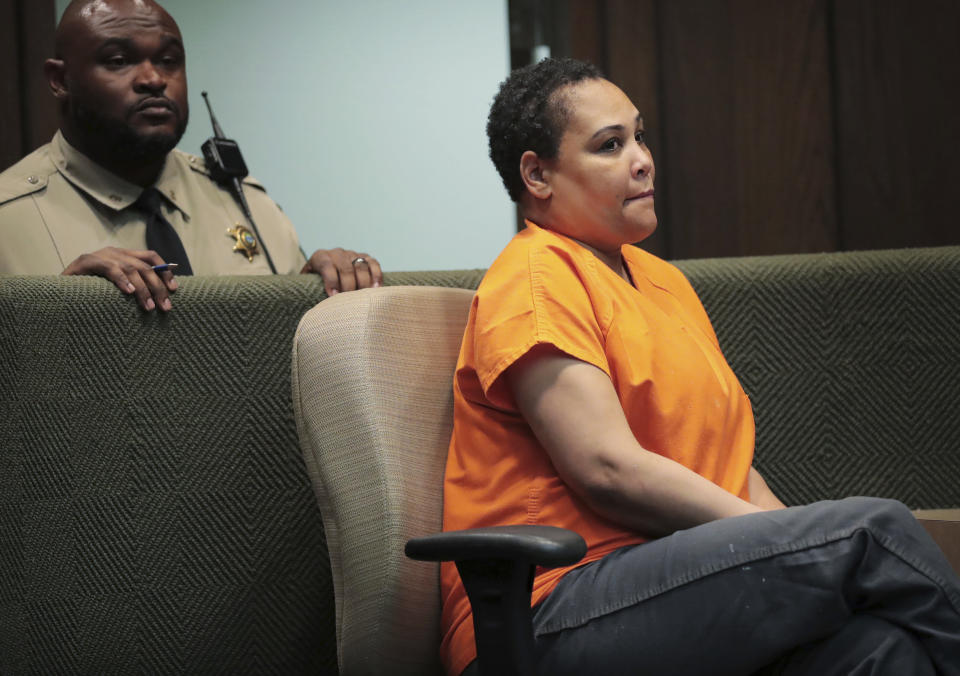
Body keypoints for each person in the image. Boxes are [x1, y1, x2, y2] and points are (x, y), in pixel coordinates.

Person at [441, 57, 960, 676]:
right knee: (874, 533)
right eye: (611, 145)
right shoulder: (533, 278)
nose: (642, 159)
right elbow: (605, 469)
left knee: (885, 652)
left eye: (640, 135)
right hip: (552, 606)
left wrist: (794, 540)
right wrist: (795, 545)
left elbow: (732, 468)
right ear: (538, 174)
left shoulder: (660, 280)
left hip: (677, 580)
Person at [0, 0, 382, 312]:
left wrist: (326, 284)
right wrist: (59, 316)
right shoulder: (8, 220)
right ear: (60, 80)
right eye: (118, 61)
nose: (153, 79)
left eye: (169, 61)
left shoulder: (246, 202)